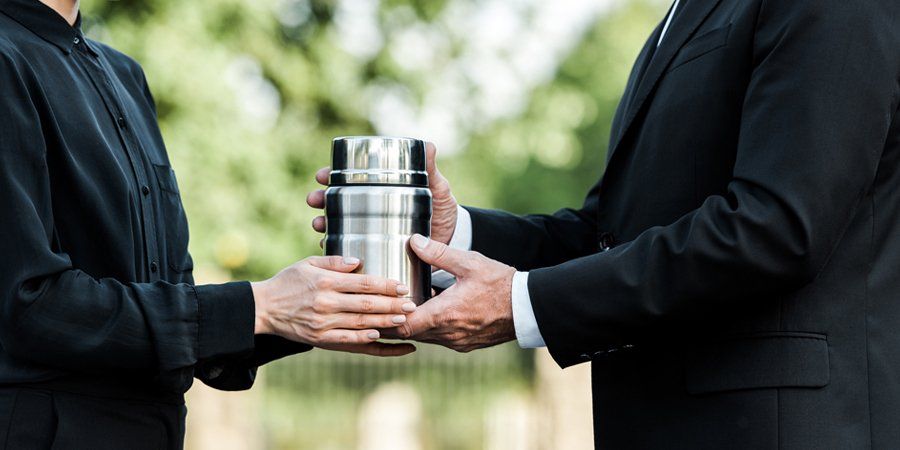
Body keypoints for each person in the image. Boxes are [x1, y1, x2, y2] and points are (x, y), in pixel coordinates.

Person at [326, 0, 900, 448]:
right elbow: (607, 233)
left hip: (780, 428)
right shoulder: (686, 16)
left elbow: (776, 229)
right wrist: (451, 237)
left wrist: (522, 304)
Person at [0, 0, 418, 448]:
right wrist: (263, 307)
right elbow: (30, 306)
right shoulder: (6, 58)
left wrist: (315, 309)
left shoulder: (125, 75)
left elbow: (169, 308)